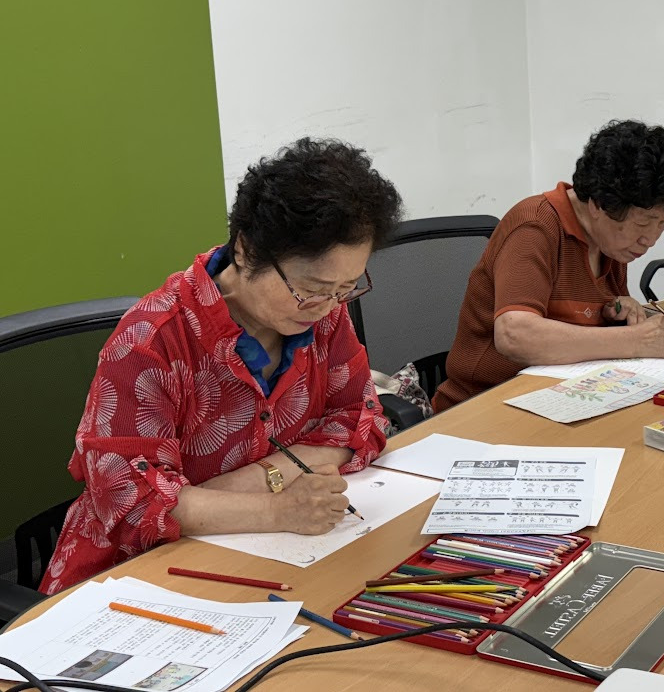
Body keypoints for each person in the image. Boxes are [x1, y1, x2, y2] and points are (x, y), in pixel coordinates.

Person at [41, 138, 402, 594]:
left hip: (267, 557)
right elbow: (133, 505)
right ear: (247, 250)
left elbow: (360, 418)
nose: (327, 305)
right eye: (311, 288)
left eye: (346, 288)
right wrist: (279, 508)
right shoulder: (152, 340)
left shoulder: (322, 314)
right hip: (131, 578)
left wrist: (259, 477)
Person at [434, 119, 664, 412]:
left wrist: (621, 311)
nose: (650, 239)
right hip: (483, 407)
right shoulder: (535, 227)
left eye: (661, 223)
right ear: (598, 205)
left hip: (563, 396)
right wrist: (639, 340)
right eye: (642, 223)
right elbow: (515, 335)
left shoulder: (610, 243)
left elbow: (588, 319)